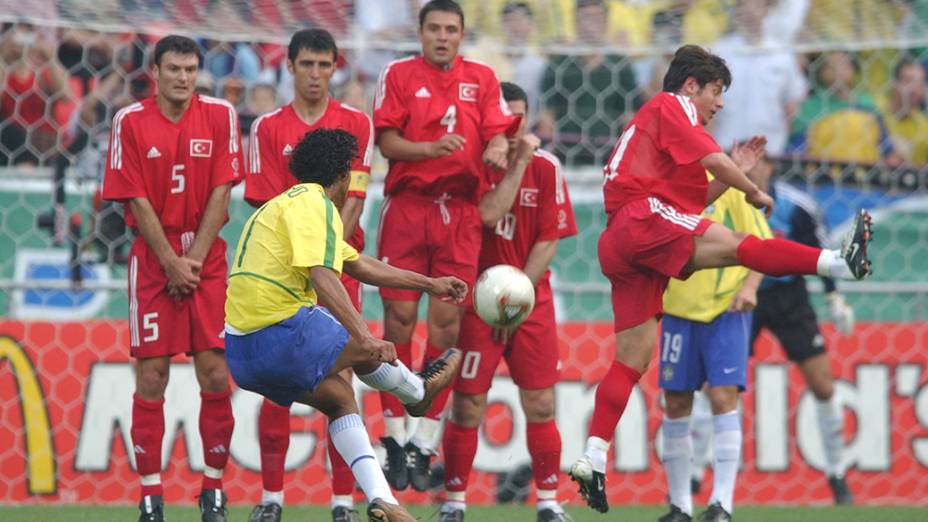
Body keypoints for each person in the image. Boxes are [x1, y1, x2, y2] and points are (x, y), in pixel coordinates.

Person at [568, 45, 872, 514]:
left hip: (624, 241)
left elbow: (689, 204)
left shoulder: (661, 139)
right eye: (716, 91)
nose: (720, 104)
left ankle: (593, 454)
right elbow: (709, 164)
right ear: (692, 85)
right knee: (741, 245)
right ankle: (837, 262)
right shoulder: (672, 105)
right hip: (642, 219)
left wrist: (737, 175)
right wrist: (753, 190)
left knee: (630, 362)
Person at [225, 128, 464, 522]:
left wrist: (430, 283)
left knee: (339, 398)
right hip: (276, 330)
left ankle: (383, 499)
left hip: (243, 355)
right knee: (361, 347)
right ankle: (417, 391)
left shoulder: (286, 206)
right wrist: (365, 337)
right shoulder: (313, 205)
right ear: (342, 177)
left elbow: (359, 264)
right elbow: (322, 274)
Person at [373, 0, 516, 491]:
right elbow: (386, 143)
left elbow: (500, 135)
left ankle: (423, 440)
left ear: (461, 34)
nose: (441, 36)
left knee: (447, 324)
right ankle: (393, 435)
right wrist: (429, 150)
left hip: (459, 212)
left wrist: (498, 147)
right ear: (420, 31)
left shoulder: (483, 78)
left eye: (450, 29)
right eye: (433, 28)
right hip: (408, 207)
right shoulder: (397, 74)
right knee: (398, 322)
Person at [102, 35, 243, 522]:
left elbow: (223, 189)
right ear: (155, 73)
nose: (183, 77)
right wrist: (170, 261)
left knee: (216, 372)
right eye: (174, 69)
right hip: (153, 262)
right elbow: (133, 197)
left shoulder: (221, 115)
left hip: (206, 262)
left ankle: (214, 490)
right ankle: (150, 495)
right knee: (153, 376)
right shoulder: (130, 121)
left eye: (190, 69)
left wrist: (195, 260)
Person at [243, 28, 374, 522]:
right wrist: (307, 253)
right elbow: (263, 206)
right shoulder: (268, 128)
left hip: (338, 268)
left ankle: (342, 502)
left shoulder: (356, 122)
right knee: (278, 380)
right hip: (282, 278)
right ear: (290, 67)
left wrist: (329, 251)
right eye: (307, 65)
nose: (316, 75)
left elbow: (357, 194)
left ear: (334, 69)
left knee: (341, 380)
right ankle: (272, 498)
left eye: (324, 66)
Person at [438, 82, 577, 522]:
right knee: (467, 403)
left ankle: (549, 503)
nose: (514, 127)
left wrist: (514, 301)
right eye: (505, 119)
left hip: (531, 300)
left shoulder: (548, 167)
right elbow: (482, 218)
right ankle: (455, 504)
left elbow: (549, 239)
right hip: (477, 299)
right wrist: (494, 304)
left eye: (520, 117)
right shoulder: (471, 166)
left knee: (540, 403)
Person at [656, 152, 772, 522]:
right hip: (677, 312)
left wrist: (751, 287)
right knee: (675, 403)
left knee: (723, 397)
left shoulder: (728, 186)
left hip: (724, 310)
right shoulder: (661, 187)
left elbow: (762, 243)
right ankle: (680, 507)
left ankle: (722, 504)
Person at [749, 156, 856, 505]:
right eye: (746, 162)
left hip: (788, 297)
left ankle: (837, 473)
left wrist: (834, 299)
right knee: (719, 388)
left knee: (823, 383)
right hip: (741, 297)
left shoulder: (796, 206)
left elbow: (821, 253)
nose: (754, 169)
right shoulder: (724, 202)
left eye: (760, 162)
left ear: (771, 167)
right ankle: (693, 479)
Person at [537, 0, 640, 167]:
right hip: (566, 150)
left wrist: (626, 155)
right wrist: (548, 155)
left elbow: (630, 115)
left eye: (597, 18)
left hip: (609, 151)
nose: (591, 25)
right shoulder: (559, 64)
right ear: (575, 23)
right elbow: (547, 113)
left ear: (606, 23)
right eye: (585, 18)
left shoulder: (620, 64)